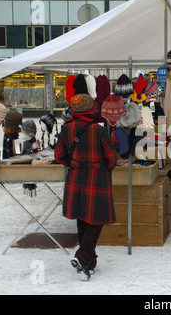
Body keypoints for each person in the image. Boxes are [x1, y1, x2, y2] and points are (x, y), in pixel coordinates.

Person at [54, 94, 117, 281]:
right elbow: (111, 158)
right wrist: (106, 166)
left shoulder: (66, 129)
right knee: (97, 218)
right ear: (92, 110)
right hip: (96, 179)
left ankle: (89, 260)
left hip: (75, 178)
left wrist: (74, 164)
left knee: (82, 217)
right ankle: (83, 255)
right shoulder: (98, 131)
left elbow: (59, 155)